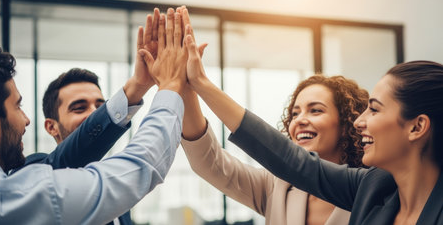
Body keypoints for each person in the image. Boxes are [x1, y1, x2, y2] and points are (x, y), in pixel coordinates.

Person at [180, 25, 443, 224]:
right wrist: (191, 86)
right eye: (295, 113)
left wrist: (202, 84)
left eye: (373, 110)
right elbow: (286, 158)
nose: (361, 121)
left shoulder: (366, 186)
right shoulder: (371, 187)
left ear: (417, 127)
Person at [0, 6, 189, 224]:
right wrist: (171, 86)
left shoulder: (119, 208)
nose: (94, 115)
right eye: (79, 108)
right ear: (51, 126)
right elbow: (139, 167)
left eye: (100, 106)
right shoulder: (30, 176)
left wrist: (139, 86)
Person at [181, 72, 368, 224]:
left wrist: (201, 82)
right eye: (295, 114)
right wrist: (182, 87)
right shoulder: (276, 186)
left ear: (346, 124)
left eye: (316, 110)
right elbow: (210, 163)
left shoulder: (370, 188)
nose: (299, 120)